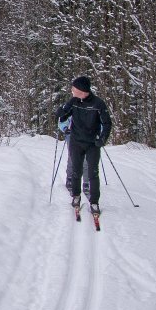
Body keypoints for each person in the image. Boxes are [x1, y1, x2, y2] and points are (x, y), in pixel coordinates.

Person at [56, 75, 111, 214]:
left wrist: (103, 138)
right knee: (76, 171)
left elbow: (107, 123)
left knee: (93, 173)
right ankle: (76, 196)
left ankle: (94, 202)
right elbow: (60, 115)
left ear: (82, 90)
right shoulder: (73, 101)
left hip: (92, 143)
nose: (71, 90)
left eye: (74, 88)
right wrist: (67, 105)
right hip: (76, 141)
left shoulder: (98, 104)